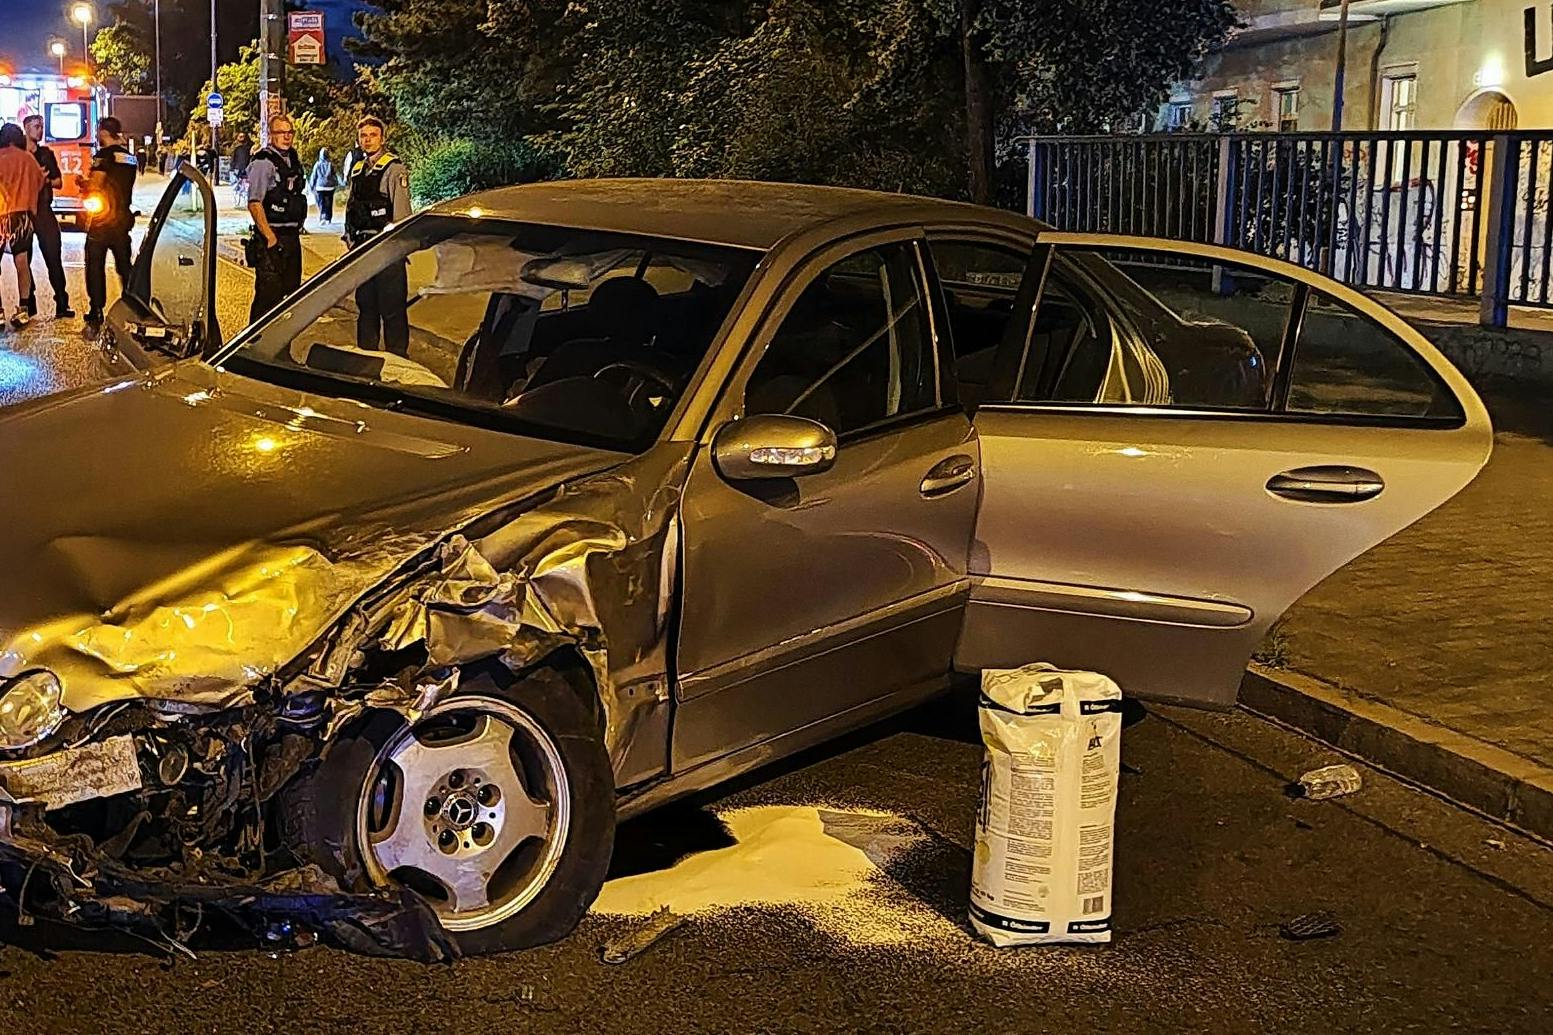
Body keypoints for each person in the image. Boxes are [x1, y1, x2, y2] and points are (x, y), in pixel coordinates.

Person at [343, 116, 412, 355]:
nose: (368, 140)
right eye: (364, 136)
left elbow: (402, 214)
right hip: (363, 249)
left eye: (373, 135)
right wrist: (350, 240)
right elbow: (351, 208)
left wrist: (397, 249)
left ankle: (398, 361)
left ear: (383, 138)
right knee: (366, 307)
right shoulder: (358, 169)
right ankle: (366, 359)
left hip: (387, 250)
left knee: (392, 310)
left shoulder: (395, 169)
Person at [77, 116, 138, 338]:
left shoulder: (102, 156)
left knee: (95, 265)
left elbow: (96, 184)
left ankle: (96, 313)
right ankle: (134, 307)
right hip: (123, 219)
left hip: (102, 220)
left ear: (103, 132)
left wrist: (82, 183)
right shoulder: (130, 158)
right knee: (124, 265)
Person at [244, 115, 308, 323]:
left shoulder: (292, 160)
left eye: (289, 132)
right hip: (271, 238)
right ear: (271, 135)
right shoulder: (263, 163)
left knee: (290, 299)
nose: (286, 137)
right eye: (281, 132)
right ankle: (255, 349)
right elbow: (255, 203)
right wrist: (271, 238)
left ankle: (280, 350)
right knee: (268, 300)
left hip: (291, 237)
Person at [20, 114, 73, 319]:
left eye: (41, 127)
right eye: (35, 126)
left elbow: (59, 182)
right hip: (23, 210)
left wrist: (44, 181)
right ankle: (29, 302)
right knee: (23, 258)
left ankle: (61, 301)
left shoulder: (46, 154)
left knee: (53, 255)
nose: (40, 130)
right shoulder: (18, 154)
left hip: (43, 209)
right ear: (25, 128)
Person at [0, 123, 45, 330]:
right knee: (22, 262)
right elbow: (39, 182)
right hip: (23, 216)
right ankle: (23, 309)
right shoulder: (28, 159)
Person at [308, 147, 339, 225]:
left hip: (320, 187)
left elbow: (314, 175)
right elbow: (334, 175)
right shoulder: (330, 164)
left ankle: (322, 217)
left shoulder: (317, 164)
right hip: (330, 187)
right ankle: (328, 218)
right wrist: (336, 183)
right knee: (329, 202)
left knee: (321, 203)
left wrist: (311, 185)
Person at [230, 132, 253, 207]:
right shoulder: (235, 147)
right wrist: (232, 168)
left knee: (246, 186)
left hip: (246, 169)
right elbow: (232, 158)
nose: (242, 137)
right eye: (240, 136)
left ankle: (244, 202)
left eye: (243, 136)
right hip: (237, 168)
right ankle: (236, 202)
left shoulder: (248, 147)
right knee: (235, 186)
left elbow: (250, 158)